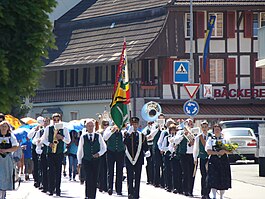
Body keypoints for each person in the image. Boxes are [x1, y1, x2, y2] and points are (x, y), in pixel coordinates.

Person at [77, 119, 107, 199]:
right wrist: (79, 161)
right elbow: (80, 150)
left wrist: (99, 154)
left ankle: (93, 196)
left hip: (96, 161)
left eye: (91, 126)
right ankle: (87, 195)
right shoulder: (83, 137)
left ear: (94, 126)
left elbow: (104, 148)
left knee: (94, 178)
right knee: (88, 177)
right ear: (86, 127)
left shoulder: (98, 136)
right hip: (86, 160)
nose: (90, 127)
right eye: (89, 126)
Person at [42, 113, 71, 196]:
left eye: (58, 120)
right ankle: (51, 189)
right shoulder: (48, 128)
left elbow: (68, 141)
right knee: (50, 171)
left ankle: (58, 189)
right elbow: (43, 139)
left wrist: (61, 137)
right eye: (54, 120)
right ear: (52, 120)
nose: (56, 121)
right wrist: (49, 144)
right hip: (50, 152)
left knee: (58, 171)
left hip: (59, 152)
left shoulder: (64, 128)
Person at [123, 117, 148, 199]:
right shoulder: (126, 134)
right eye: (133, 124)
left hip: (139, 159)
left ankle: (136, 193)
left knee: (137, 177)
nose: (134, 126)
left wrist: (147, 151)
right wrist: (128, 134)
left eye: (136, 124)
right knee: (130, 176)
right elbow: (125, 143)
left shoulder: (142, 135)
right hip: (129, 158)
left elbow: (145, 146)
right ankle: (130, 193)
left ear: (138, 125)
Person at [205, 124, 232, 199]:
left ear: (220, 130)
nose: (217, 131)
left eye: (218, 129)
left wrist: (224, 151)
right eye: (215, 129)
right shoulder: (210, 139)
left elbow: (231, 151)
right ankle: (214, 195)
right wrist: (217, 153)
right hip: (214, 160)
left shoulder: (225, 139)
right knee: (213, 178)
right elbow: (208, 151)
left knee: (223, 177)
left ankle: (221, 196)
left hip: (223, 160)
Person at [172, 118, 195, 197]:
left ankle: (191, 190)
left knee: (192, 173)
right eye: (188, 123)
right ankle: (185, 190)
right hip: (184, 154)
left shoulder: (195, 132)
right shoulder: (180, 132)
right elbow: (175, 141)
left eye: (191, 124)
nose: (190, 125)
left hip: (193, 155)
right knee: (185, 173)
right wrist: (183, 135)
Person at [103, 121, 125, 195]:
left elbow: (126, 138)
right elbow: (105, 138)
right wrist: (112, 131)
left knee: (119, 171)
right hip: (110, 151)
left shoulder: (123, 129)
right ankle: (110, 188)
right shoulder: (109, 129)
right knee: (110, 170)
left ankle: (119, 189)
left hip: (120, 152)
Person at [0, 121, 19, 199]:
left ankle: (3, 195)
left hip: (7, 159)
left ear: (8, 128)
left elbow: (16, 146)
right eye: (2, 126)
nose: (3, 128)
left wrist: (6, 150)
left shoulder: (11, 136)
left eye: (5, 126)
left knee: (5, 176)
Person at [193, 120, 211, 199]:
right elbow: (196, 148)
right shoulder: (198, 137)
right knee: (203, 176)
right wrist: (195, 158)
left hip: (210, 158)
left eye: (205, 127)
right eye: (203, 127)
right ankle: (203, 193)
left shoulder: (211, 136)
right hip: (203, 158)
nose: (204, 129)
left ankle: (208, 193)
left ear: (208, 127)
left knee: (210, 176)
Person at [32, 117, 50, 193]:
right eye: (44, 122)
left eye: (47, 122)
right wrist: (38, 141)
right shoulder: (40, 131)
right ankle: (44, 185)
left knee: (51, 170)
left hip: (51, 152)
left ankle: (51, 185)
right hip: (42, 152)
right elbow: (34, 140)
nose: (45, 123)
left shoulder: (52, 130)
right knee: (43, 169)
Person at [142, 121, 154, 185]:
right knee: (149, 163)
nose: (151, 124)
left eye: (152, 123)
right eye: (150, 123)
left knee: (154, 163)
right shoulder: (145, 130)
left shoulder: (155, 128)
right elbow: (144, 138)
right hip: (148, 147)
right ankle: (149, 179)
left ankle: (154, 179)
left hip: (154, 146)